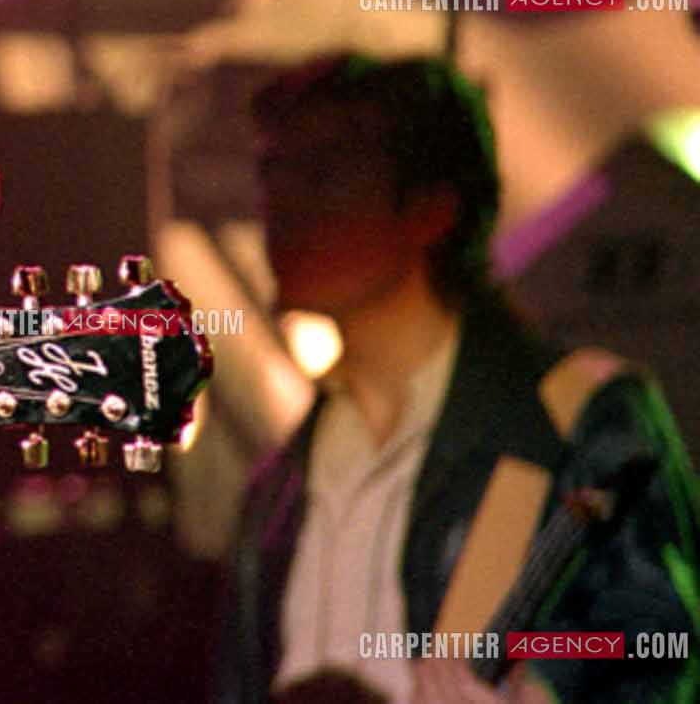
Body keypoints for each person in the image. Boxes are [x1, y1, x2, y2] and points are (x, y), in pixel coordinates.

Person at [216, 54, 699, 704]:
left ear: (431, 209)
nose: (280, 207)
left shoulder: (575, 418)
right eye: (270, 175)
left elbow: (660, 649)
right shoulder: (276, 485)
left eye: (321, 175)